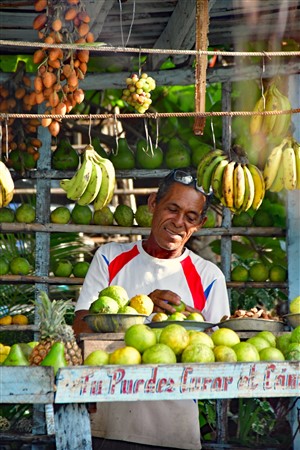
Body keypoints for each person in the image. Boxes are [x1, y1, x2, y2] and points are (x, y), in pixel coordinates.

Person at [73, 168, 230, 450]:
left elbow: (217, 360)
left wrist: (192, 323)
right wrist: (138, 309)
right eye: (172, 209)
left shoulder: (209, 277)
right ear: (152, 204)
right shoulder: (110, 258)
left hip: (174, 430)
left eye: (191, 217)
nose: (179, 222)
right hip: (108, 427)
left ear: (201, 223)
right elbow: (81, 328)